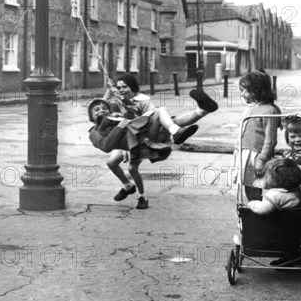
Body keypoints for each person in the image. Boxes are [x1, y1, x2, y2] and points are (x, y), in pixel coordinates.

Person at [89, 85, 219, 210]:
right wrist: (120, 122)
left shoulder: (138, 102)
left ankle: (197, 114)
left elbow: (129, 113)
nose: (101, 111)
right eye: (96, 110)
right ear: (91, 117)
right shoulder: (97, 130)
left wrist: (122, 115)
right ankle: (130, 187)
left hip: (145, 135)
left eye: (124, 87)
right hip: (138, 142)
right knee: (120, 164)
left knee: (166, 116)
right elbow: (106, 145)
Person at [103, 73, 207, 147]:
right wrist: (108, 90)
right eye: (119, 88)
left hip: (148, 132)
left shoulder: (142, 100)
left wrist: (125, 102)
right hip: (136, 135)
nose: (121, 90)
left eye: (124, 87)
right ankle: (199, 113)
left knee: (169, 120)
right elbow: (100, 107)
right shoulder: (117, 102)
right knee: (167, 117)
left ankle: (202, 111)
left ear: (132, 87)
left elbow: (147, 115)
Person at [234, 69, 282, 201]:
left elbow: (270, 140)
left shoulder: (269, 110)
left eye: (244, 90)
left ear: (256, 91)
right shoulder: (250, 107)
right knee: (248, 187)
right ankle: (253, 212)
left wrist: (261, 159)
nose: (242, 94)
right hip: (246, 154)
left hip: (257, 156)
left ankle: (258, 214)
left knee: (256, 187)